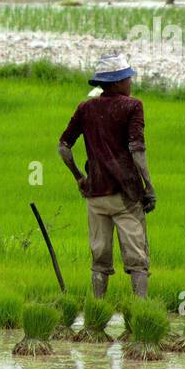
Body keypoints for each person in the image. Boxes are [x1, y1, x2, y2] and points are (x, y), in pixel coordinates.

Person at [57, 54, 155, 300]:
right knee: (137, 259)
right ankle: (141, 310)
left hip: (96, 196)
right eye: (126, 78)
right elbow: (137, 149)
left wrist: (79, 177)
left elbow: (63, 147)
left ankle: (97, 309)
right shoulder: (132, 106)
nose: (130, 82)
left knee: (99, 258)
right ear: (115, 83)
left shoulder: (86, 108)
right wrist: (149, 186)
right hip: (126, 196)